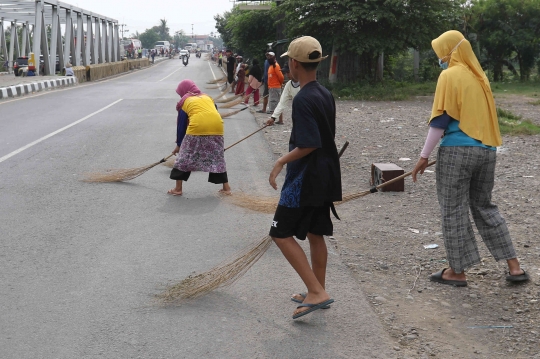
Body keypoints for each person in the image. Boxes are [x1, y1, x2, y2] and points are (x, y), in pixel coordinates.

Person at [412, 30, 529, 287]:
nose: (440, 58)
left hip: (457, 151)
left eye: (441, 52)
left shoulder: (449, 75)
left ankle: (457, 271)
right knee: (484, 206)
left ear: (450, 51)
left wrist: (423, 157)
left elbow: (441, 120)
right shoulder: (480, 78)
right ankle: (515, 267)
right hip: (487, 151)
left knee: (453, 209)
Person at [268, 36, 341, 319]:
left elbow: (309, 143)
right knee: (314, 232)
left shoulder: (303, 99)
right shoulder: (324, 93)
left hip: (305, 178)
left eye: (288, 62)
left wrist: (280, 161)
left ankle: (317, 291)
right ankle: (317, 289)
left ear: (294, 64)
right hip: (325, 175)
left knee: (280, 233)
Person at [168, 80, 231, 196]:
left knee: (184, 158)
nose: (180, 96)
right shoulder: (207, 97)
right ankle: (226, 188)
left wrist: (179, 145)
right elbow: (213, 113)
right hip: (217, 127)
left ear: (184, 91)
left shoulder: (185, 101)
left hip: (197, 127)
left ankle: (178, 189)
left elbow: (181, 127)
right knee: (217, 158)